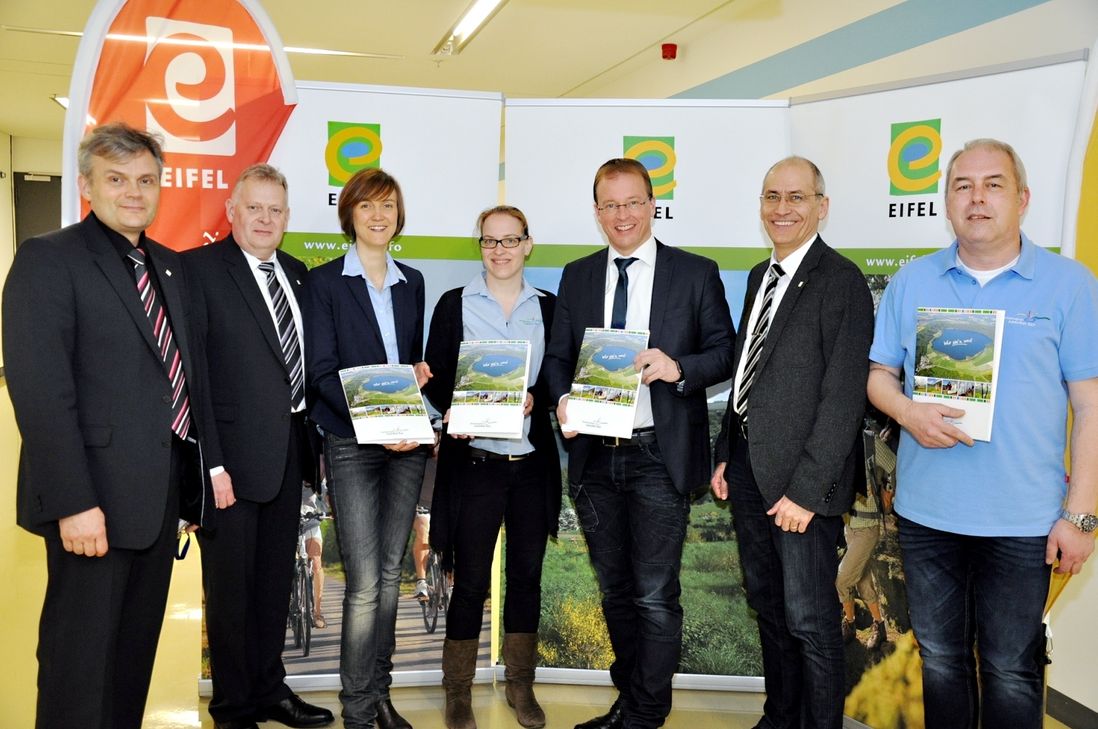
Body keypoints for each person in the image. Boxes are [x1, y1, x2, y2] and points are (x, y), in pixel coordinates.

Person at [867, 138, 1098, 729]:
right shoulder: (912, 282)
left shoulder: (1071, 286)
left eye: (993, 184)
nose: (977, 198)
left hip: (1024, 521)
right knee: (941, 661)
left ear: (1022, 198)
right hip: (928, 516)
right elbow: (877, 377)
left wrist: (1082, 516)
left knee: (1011, 669)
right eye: (962, 186)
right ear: (947, 202)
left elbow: (1091, 407)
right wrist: (908, 412)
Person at [2, 122, 204, 728]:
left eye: (146, 180)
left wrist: (187, 490)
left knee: (129, 661)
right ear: (88, 185)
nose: (134, 192)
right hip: (92, 505)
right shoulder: (48, 259)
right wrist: (73, 503)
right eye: (117, 179)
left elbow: (178, 382)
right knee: (78, 665)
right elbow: (41, 394)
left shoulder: (167, 268)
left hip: (156, 502)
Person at [544, 158, 734, 729]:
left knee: (654, 595)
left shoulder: (695, 272)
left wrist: (677, 367)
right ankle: (628, 702)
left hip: (659, 452)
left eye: (633, 202)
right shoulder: (577, 276)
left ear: (653, 204)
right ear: (597, 212)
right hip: (596, 454)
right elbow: (557, 358)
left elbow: (726, 351)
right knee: (616, 593)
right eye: (611, 204)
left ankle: (646, 715)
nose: (622, 215)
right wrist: (560, 402)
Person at [710, 156, 874, 729]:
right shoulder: (761, 276)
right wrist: (725, 454)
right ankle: (779, 719)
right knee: (771, 610)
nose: (782, 208)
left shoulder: (842, 281)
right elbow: (746, 374)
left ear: (821, 207)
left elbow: (843, 397)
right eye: (772, 196)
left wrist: (807, 491)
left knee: (810, 621)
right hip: (751, 473)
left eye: (797, 197)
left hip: (802, 488)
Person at [185, 164, 333, 729]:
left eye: (276, 209)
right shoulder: (198, 271)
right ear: (232, 210)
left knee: (273, 584)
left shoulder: (297, 273)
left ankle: (271, 691)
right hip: (229, 464)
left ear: (288, 217)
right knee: (229, 594)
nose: (266, 219)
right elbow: (192, 377)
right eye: (255, 208)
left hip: (289, 455)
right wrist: (210, 463)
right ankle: (233, 707)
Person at [423, 205, 561, 729]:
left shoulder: (550, 307)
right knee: (471, 581)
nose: (500, 250)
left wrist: (535, 396)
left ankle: (520, 686)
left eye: (510, 240)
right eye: (489, 241)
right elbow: (435, 377)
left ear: (528, 244)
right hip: (474, 464)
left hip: (529, 467)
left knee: (527, 579)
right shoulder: (453, 305)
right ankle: (457, 692)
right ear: (479, 246)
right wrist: (451, 406)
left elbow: (558, 374)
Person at [305, 167, 432, 729]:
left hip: (407, 444)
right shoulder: (325, 282)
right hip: (353, 442)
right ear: (349, 214)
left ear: (398, 215)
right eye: (366, 207)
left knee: (388, 573)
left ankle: (380, 694)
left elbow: (411, 361)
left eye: (388, 206)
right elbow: (322, 373)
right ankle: (357, 708)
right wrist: (383, 412)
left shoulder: (414, 283)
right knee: (360, 582)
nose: (378, 216)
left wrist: (418, 381)